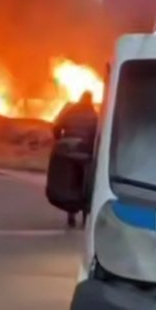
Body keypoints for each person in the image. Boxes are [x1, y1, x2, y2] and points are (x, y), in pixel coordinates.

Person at [52, 91, 98, 228]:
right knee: (85, 183)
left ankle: (70, 214)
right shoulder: (94, 115)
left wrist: (60, 141)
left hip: (68, 150)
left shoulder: (70, 112)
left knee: (70, 182)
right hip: (85, 152)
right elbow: (97, 134)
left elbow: (57, 127)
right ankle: (84, 216)